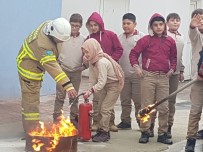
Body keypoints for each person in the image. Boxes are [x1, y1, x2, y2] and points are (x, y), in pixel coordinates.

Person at [16, 18, 77, 134]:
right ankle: (32, 132)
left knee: (30, 101)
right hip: (28, 70)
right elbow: (52, 67)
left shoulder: (50, 26)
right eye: (59, 40)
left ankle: (30, 127)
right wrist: (68, 85)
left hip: (34, 64)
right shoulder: (42, 44)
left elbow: (53, 56)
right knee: (31, 102)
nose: (61, 42)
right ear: (53, 34)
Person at [129, 13, 177, 145]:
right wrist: (137, 67)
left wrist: (172, 69)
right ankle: (145, 132)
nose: (158, 27)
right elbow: (133, 54)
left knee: (164, 108)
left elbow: (174, 58)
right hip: (148, 77)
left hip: (164, 78)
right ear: (151, 26)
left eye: (161, 24)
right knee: (146, 107)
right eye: (155, 25)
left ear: (164, 25)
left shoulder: (170, 41)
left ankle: (162, 133)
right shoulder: (145, 40)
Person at [149, 13, 185, 138]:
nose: (175, 22)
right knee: (155, 100)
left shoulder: (181, 38)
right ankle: (150, 125)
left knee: (171, 101)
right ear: (167, 23)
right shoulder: (163, 36)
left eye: (177, 20)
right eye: (172, 20)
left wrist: (181, 70)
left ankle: (168, 126)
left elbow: (178, 56)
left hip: (174, 74)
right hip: (161, 73)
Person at [86, 12, 123, 132]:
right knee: (97, 100)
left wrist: (110, 60)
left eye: (95, 25)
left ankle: (110, 123)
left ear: (100, 24)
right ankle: (96, 122)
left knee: (108, 103)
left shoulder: (110, 35)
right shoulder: (89, 39)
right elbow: (88, 58)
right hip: (98, 73)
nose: (93, 27)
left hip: (109, 71)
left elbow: (119, 49)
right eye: (91, 25)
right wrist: (90, 89)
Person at [82, 38, 124, 142]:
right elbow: (92, 79)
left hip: (114, 85)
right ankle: (101, 131)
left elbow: (101, 81)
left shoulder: (101, 62)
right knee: (100, 106)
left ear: (93, 49)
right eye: (84, 52)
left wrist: (91, 90)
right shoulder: (92, 61)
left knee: (105, 108)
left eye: (87, 51)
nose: (85, 54)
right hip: (105, 85)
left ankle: (105, 132)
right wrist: (88, 91)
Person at [53, 14, 86, 127]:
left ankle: (73, 118)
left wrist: (84, 66)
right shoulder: (63, 37)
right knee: (60, 96)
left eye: (77, 26)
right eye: (72, 25)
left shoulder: (84, 39)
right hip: (63, 71)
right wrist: (57, 63)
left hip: (76, 72)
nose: (74, 28)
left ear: (81, 26)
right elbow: (55, 50)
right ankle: (57, 118)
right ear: (69, 24)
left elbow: (87, 55)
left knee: (74, 96)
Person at [116, 13, 144, 129]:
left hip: (138, 75)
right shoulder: (119, 38)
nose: (126, 26)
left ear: (135, 24)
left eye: (128, 23)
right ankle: (125, 121)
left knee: (138, 101)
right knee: (125, 100)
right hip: (124, 75)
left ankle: (142, 122)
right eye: (124, 23)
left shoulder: (141, 37)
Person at [185, 9, 203, 152]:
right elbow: (192, 33)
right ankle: (190, 139)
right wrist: (192, 26)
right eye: (198, 19)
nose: (201, 22)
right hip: (198, 80)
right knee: (195, 110)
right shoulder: (196, 36)